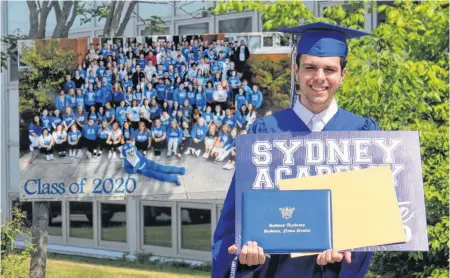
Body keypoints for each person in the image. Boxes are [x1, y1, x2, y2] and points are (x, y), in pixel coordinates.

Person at [212, 22, 381, 278]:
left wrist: (346, 250)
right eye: (310, 67)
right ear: (296, 70)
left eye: (330, 69)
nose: (319, 78)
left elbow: (372, 214)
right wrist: (247, 256)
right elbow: (236, 214)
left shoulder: (362, 133)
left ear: (343, 74)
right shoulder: (266, 132)